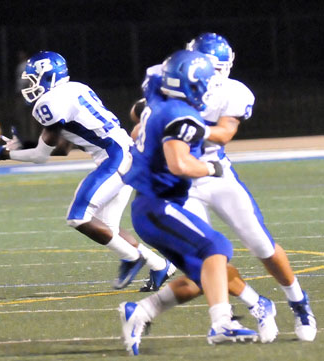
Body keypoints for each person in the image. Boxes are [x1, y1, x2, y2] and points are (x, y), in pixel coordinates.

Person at [130, 33, 316, 343]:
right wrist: (153, 120)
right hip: (179, 182)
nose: (210, 77)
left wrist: (183, 124)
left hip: (215, 174)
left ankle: (298, 301)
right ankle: (254, 305)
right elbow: (140, 114)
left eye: (216, 69)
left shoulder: (232, 92)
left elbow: (225, 132)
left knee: (261, 245)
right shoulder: (162, 76)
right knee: (206, 256)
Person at [0, 50, 175, 291]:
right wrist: (18, 146)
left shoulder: (48, 104)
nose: (29, 85)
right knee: (107, 228)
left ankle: (132, 258)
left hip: (115, 158)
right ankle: (159, 265)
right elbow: (63, 146)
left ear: (49, 76)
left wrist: (6, 154)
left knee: (78, 217)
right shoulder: (76, 88)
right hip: (124, 153)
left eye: (33, 79)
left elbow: (41, 155)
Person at [118, 49, 257, 356]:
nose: (209, 89)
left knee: (203, 276)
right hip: (158, 205)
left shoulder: (158, 101)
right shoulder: (179, 114)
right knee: (216, 246)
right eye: (205, 83)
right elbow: (180, 164)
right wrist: (212, 168)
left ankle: (140, 312)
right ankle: (222, 325)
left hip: (156, 204)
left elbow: (138, 122)